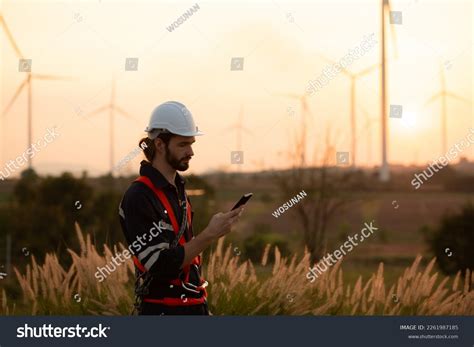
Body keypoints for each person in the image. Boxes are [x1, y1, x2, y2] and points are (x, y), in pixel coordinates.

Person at [119, 101, 244, 315]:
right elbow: (159, 265)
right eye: (183, 144)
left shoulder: (178, 190)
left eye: (192, 143)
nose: (191, 151)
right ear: (159, 144)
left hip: (193, 308)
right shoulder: (138, 197)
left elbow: (184, 254)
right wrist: (210, 235)